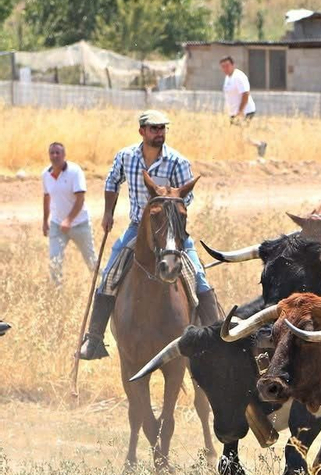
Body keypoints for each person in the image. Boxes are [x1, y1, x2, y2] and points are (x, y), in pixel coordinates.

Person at [80, 110, 220, 360]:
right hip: (137, 227)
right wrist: (108, 213)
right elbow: (112, 182)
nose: (159, 133)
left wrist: (168, 200)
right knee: (109, 274)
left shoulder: (178, 161)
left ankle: (218, 341)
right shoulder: (126, 156)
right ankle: (94, 339)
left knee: (198, 276)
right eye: (154, 129)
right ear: (142, 131)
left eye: (162, 129)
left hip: (172, 230)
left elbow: (187, 197)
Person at [42, 141, 95, 287]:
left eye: (58, 152)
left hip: (80, 224)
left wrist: (69, 220)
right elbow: (46, 198)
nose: (55, 156)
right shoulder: (46, 175)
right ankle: (57, 293)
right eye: (52, 153)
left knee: (91, 260)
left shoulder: (74, 171)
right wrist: (45, 221)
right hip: (57, 225)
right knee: (55, 260)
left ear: (64, 155)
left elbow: (80, 198)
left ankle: (104, 288)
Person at [220, 56, 255, 123]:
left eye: (227, 66)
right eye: (223, 66)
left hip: (245, 112)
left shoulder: (238, 76)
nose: (225, 68)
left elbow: (245, 94)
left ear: (233, 65)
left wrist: (240, 111)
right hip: (233, 113)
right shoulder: (228, 77)